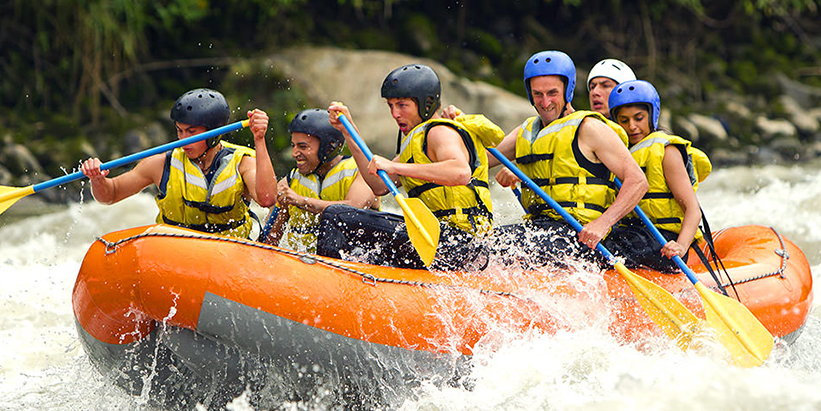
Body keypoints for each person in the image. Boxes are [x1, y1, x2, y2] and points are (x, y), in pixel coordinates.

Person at [324, 63, 505, 270]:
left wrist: (397, 168)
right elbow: (379, 185)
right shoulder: (415, 145)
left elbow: (460, 172)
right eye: (390, 106)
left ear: (426, 104)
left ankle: (331, 281)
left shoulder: (439, 133)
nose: (395, 114)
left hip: (459, 242)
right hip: (437, 239)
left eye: (402, 105)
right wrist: (349, 132)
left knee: (337, 216)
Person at [489, 50, 650, 268]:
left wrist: (602, 224)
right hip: (538, 228)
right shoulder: (527, 131)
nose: (545, 103)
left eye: (552, 93)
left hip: (579, 235)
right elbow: (483, 157)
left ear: (568, 90)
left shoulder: (589, 128)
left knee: (504, 249)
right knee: (487, 243)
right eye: (538, 94)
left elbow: (638, 181)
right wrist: (457, 128)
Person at [81, 88, 277, 239]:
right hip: (176, 256)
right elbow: (111, 194)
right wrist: (98, 179)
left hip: (227, 257)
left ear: (215, 133)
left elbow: (267, 199)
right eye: (180, 131)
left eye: (191, 132)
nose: (183, 139)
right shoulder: (160, 163)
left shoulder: (241, 163)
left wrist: (259, 140)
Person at [608, 79, 712, 264]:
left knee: (622, 246)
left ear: (652, 115)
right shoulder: (615, 154)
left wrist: (680, 246)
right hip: (633, 233)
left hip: (664, 238)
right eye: (624, 120)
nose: (632, 126)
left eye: (638, 118)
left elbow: (692, 209)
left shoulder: (666, 151)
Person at [263, 109, 378, 252]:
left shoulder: (363, 172)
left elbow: (353, 208)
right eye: (294, 146)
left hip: (354, 264)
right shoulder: (290, 183)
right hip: (305, 267)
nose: (294, 153)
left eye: (303, 146)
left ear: (329, 147)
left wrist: (301, 201)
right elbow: (267, 243)